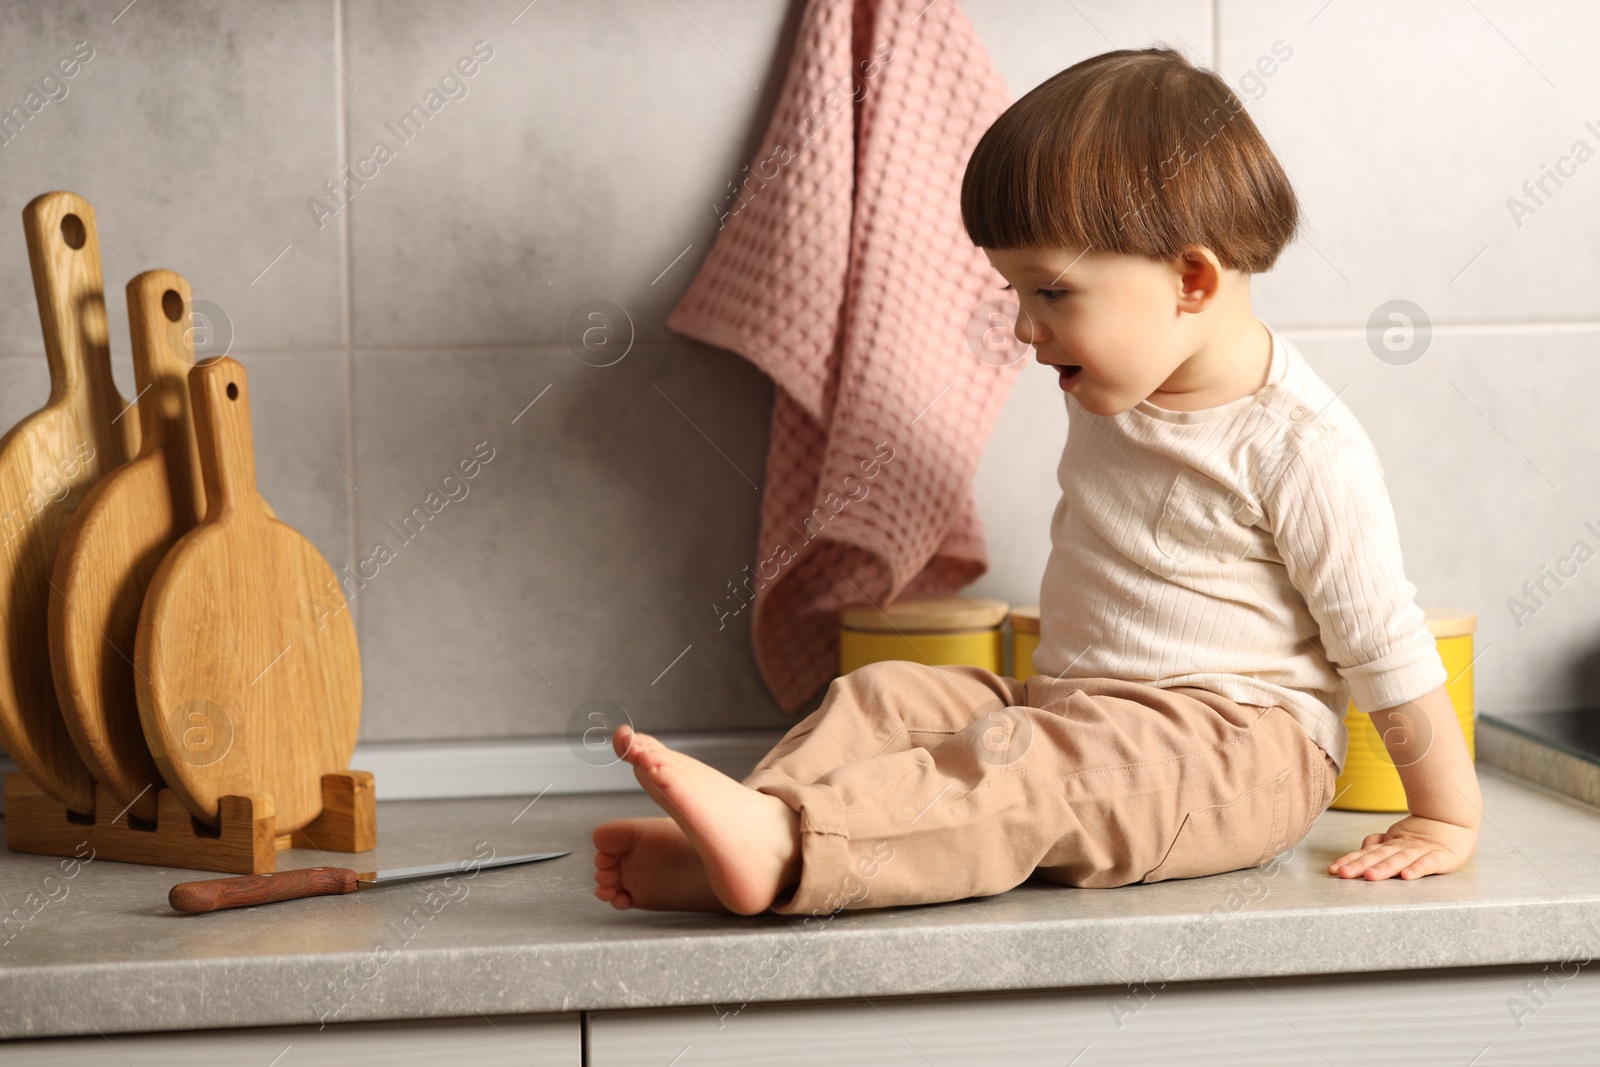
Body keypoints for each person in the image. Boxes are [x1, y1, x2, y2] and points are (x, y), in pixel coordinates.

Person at [592, 46, 1482, 917]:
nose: (1024, 329)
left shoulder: (1299, 447)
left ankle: (801, 853)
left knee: (1035, 766)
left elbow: (1384, 645)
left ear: (1192, 278)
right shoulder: (1127, 376)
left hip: (1240, 750)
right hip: (1074, 708)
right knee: (887, 695)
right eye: (1016, 293)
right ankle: (765, 831)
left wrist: (1444, 813)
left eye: (1051, 294)